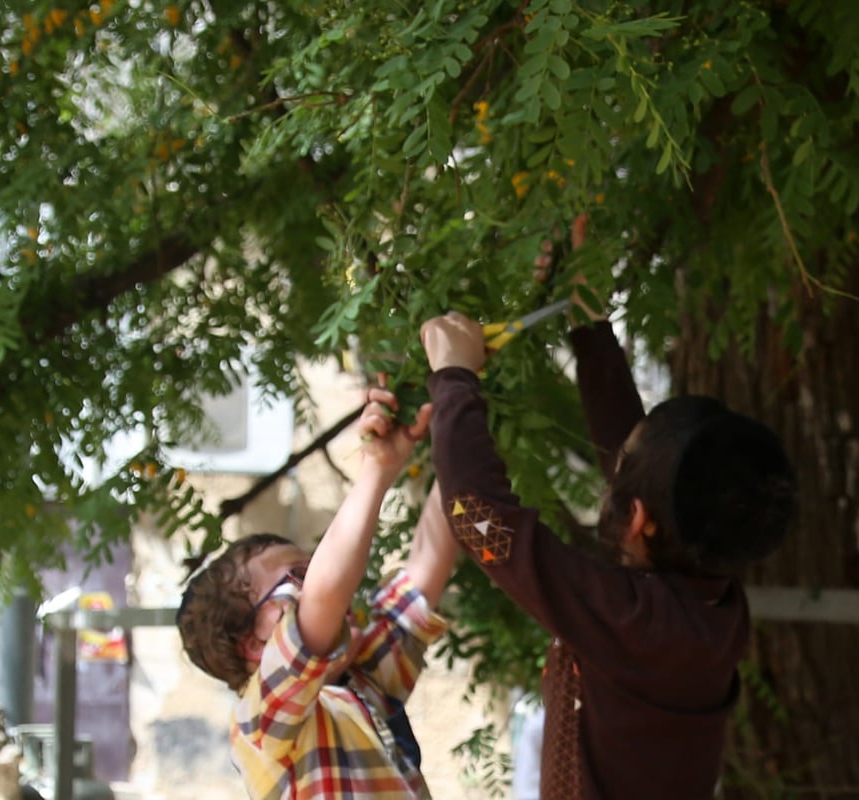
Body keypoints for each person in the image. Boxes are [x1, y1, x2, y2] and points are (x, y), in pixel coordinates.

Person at [418, 221, 797, 800]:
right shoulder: (707, 600)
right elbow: (641, 469)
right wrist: (590, 323)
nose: (613, 458)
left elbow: (477, 519)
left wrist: (453, 378)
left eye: (622, 462)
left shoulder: (641, 622)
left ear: (640, 519)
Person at [176, 385, 457, 799]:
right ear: (255, 644)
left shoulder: (360, 683)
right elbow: (324, 598)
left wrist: (457, 412)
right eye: (299, 576)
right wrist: (377, 469)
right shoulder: (259, 723)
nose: (328, 581)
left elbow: (425, 565)